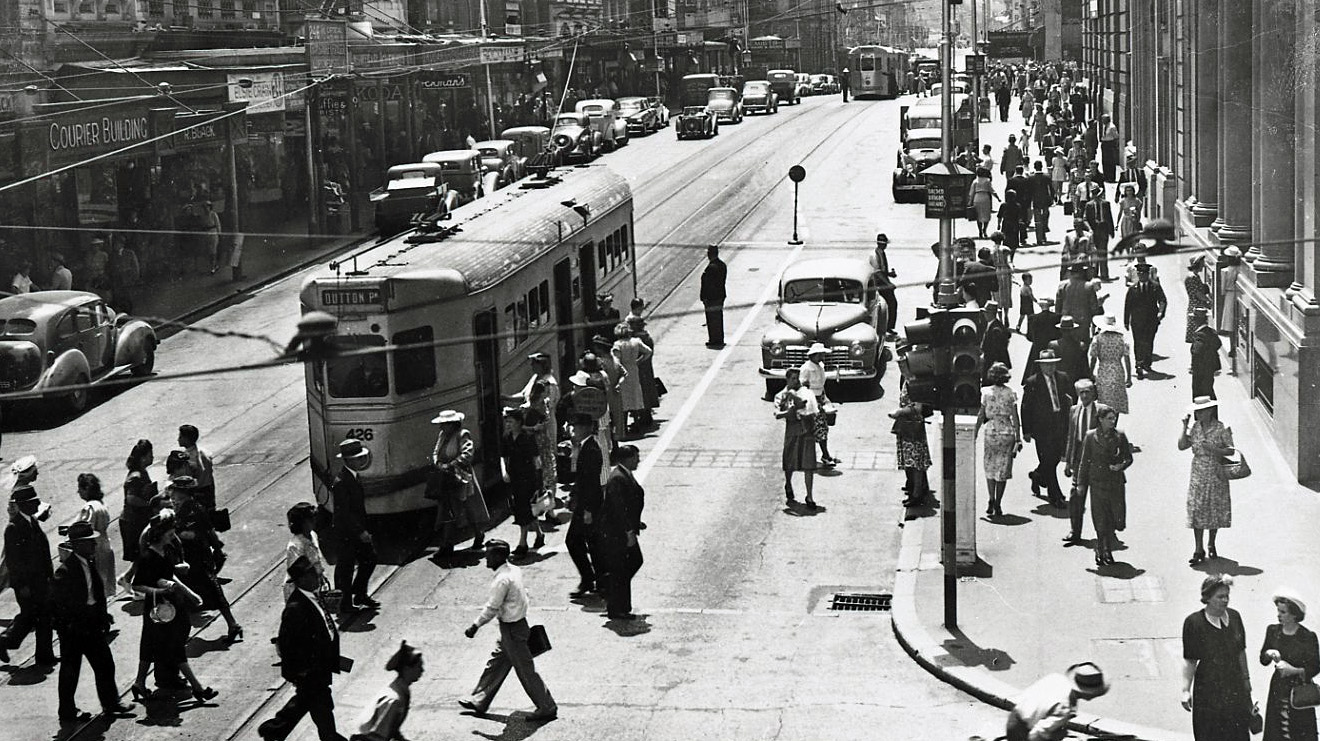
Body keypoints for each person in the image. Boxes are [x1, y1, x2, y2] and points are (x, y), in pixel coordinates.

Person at [459, 540, 558, 722]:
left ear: (498, 556)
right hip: (515, 626)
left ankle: (547, 706)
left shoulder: (501, 580)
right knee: (496, 662)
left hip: (512, 630)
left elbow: (492, 608)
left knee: (525, 670)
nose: (485, 558)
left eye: (488, 555)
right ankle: (479, 699)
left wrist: (475, 625)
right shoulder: (514, 570)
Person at [51, 521, 136, 723]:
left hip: (91, 625)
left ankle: (111, 703)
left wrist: (103, 616)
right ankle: (67, 711)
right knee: (70, 671)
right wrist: (67, 627)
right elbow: (56, 606)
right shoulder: (65, 572)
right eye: (90, 542)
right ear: (77, 544)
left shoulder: (89, 563)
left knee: (105, 664)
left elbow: (96, 593)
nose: (94, 545)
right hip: (74, 630)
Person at [130, 514, 218, 704]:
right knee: (174, 646)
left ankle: (139, 683)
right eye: (170, 531)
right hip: (158, 609)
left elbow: (170, 575)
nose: (173, 534)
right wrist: (160, 590)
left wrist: (190, 593)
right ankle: (198, 688)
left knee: (151, 645)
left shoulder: (166, 551)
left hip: (170, 607)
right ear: (160, 533)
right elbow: (137, 585)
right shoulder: (147, 556)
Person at [258, 556, 347, 741]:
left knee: (306, 703)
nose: (319, 576)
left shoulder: (312, 597)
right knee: (318, 705)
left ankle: (274, 729)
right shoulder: (296, 607)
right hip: (310, 670)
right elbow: (287, 643)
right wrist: (300, 673)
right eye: (313, 574)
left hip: (318, 668)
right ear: (302, 579)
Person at [169, 476, 242, 642]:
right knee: (196, 591)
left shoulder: (193, 509)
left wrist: (175, 533)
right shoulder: (189, 507)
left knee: (209, 590)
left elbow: (197, 533)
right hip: (190, 557)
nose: (173, 497)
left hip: (197, 557)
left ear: (184, 493)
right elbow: (209, 531)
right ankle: (231, 624)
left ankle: (233, 624)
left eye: (176, 494)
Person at [1182, 574, 1253, 741]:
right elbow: (1190, 660)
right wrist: (1185, 690)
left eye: (1227, 596)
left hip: (1234, 686)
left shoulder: (1235, 617)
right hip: (1208, 690)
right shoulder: (1193, 623)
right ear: (1207, 597)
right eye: (1220, 596)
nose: (1225, 600)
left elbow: (1241, 652)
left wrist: (1247, 683)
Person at [0, 485, 55, 665]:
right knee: (32, 615)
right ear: (23, 504)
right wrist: (21, 585)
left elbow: (43, 551)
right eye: (34, 502)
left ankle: (44, 656)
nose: (38, 504)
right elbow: (13, 561)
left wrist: (50, 576)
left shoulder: (32, 521)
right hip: (27, 584)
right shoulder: (13, 528)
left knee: (43, 615)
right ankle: (6, 640)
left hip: (41, 580)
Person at [1073, 404, 1132, 566]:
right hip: (1097, 482)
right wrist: (1080, 483)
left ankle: (1106, 546)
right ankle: (1103, 548)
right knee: (1100, 518)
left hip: (1115, 482)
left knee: (1115, 518)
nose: (1113, 421)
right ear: (1100, 420)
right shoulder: (1091, 437)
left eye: (1114, 418)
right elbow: (1084, 461)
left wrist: (1121, 466)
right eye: (1109, 419)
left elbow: (1128, 458)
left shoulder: (1120, 436)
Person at [1179, 397, 1235, 565]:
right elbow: (1182, 446)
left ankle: (1211, 542)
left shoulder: (1220, 428)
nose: (1198, 414)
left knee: (1214, 508)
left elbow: (1231, 451)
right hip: (1198, 473)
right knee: (1197, 509)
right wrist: (1184, 426)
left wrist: (1214, 449)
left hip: (1215, 472)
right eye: (1197, 411)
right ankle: (1198, 548)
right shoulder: (1195, 427)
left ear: (1210, 411)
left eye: (1201, 411)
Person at [1260, 588, 1319, 741]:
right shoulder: (1273, 631)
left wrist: (1294, 670)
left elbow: (1315, 666)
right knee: (1277, 730)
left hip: (1299, 689)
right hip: (1278, 688)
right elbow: (1263, 659)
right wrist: (1269, 653)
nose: (1278, 615)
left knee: (1299, 731)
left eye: (1283, 612)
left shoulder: (1307, 636)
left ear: (1294, 614)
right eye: (1278, 611)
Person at [1020, 349, 1074, 509]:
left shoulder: (1063, 378)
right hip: (1041, 428)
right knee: (1048, 461)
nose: (1049, 368)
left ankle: (1037, 475)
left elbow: (1069, 399)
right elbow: (1025, 407)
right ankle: (1055, 495)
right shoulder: (1033, 382)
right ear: (1040, 366)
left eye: (1052, 365)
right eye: (1046, 365)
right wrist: (1026, 430)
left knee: (1055, 457)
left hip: (1059, 424)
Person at [430, 411, 490, 554]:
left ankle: (477, 533)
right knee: (448, 509)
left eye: (444, 424)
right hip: (446, 478)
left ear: (452, 424)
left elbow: (467, 454)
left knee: (469, 508)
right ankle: (447, 544)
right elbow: (435, 452)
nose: (441, 427)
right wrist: (437, 463)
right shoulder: (442, 436)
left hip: (461, 478)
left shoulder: (462, 435)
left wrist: (451, 464)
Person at [330, 438, 378, 615]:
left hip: (355, 529)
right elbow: (345, 513)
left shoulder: (352, 477)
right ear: (348, 460)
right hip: (346, 532)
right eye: (358, 458)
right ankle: (344, 603)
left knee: (370, 558)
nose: (361, 461)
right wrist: (361, 531)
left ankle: (359, 593)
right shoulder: (342, 482)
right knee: (346, 567)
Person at [1006, 662, 1110, 741]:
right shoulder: (1064, 708)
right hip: (1023, 732)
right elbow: (1037, 734)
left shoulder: (1056, 678)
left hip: (1015, 716)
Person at [599, 444, 644, 620]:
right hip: (617, 533)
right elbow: (618, 509)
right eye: (636, 457)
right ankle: (617, 606)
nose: (638, 460)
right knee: (626, 566)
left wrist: (636, 523)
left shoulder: (624, 474)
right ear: (627, 458)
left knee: (625, 567)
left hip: (621, 530)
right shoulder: (618, 478)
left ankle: (615, 599)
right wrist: (629, 531)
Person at [504, 352, 560, 492]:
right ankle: (538, 490)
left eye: (533, 363)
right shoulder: (535, 378)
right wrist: (506, 397)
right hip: (530, 425)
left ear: (542, 365)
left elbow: (545, 406)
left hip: (542, 426)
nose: (531, 366)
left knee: (545, 459)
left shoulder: (550, 384)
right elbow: (524, 396)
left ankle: (547, 493)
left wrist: (525, 409)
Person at [976, 362, 1021, 518]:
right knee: (1002, 469)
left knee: (990, 466)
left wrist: (974, 433)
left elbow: (981, 415)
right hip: (1007, 431)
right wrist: (1018, 438)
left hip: (991, 431)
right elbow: (1015, 417)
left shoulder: (986, 392)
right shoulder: (1011, 393)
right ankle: (998, 502)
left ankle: (990, 497)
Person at [566, 413, 603, 598]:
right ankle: (595, 580)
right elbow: (580, 479)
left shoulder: (591, 449)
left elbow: (590, 482)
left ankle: (591, 579)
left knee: (575, 541)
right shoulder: (585, 447)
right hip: (585, 503)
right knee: (590, 543)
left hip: (589, 505)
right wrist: (573, 495)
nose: (574, 430)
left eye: (577, 427)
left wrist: (587, 510)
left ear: (587, 427)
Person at [354, 641, 424, 741]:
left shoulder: (402, 690)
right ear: (407, 669)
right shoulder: (394, 699)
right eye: (419, 666)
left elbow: (391, 727)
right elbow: (377, 737)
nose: (422, 670)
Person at [500, 407, 544, 558]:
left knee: (523, 508)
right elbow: (503, 456)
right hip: (514, 478)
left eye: (511, 421)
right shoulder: (506, 437)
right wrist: (504, 472)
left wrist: (539, 483)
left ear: (519, 422)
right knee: (525, 508)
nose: (508, 424)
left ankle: (522, 543)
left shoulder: (527, 437)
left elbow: (536, 460)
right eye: (507, 422)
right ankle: (539, 534)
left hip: (528, 478)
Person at [1062, 379, 1100, 544]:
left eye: (1087, 392)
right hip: (1079, 459)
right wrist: (1068, 462)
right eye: (1081, 393)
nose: (1084, 396)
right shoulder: (1073, 410)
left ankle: (1104, 534)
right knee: (1076, 496)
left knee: (1099, 499)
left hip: (1096, 460)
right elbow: (1071, 436)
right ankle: (1074, 531)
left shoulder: (1102, 411)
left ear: (1093, 393)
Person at [774, 368, 818, 507]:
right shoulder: (781, 395)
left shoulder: (804, 392)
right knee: (789, 462)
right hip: (792, 430)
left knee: (808, 465)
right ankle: (788, 484)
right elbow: (777, 413)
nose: (796, 381)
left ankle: (809, 497)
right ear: (787, 380)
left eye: (797, 378)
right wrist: (788, 412)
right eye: (793, 378)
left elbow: (805, 404)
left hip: (807, 430)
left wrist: (794, 398)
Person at [117, 440, 156, 595]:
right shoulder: (136, 476)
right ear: (143, 458)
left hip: (138, 520)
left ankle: (127, 579)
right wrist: (149, 503)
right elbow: (131, 498)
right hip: (132, 521)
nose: (152, 457)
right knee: (141, 554)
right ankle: (135, 584)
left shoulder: (142, 472)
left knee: (141, 555)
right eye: (150, 455)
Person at [75, 473, 116, 599]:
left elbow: (86, 529)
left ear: (86, 489)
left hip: (94, 548)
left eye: (80, 489)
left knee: (94, 583)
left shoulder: (89, 507)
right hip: (104, 544)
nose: (78, 492)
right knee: (102, 581)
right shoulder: (100, 504)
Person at [799, 343, 839, 467]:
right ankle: (824, 455)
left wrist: (826, 400)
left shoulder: (820, 366)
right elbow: (802, 387)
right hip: (811, 401)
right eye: (821, 354)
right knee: (817, 428)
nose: (823, 356)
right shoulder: (806, 368)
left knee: (822, 428)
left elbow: (822, 386)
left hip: (820, 398)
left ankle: (824, 454)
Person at [890, 394, 933, 508]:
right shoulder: (907, 380)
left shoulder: (917, 384)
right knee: (910, 462)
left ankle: (917, 494)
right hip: (907, 428)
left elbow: (918, 407)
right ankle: (915, 487)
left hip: (913, 430)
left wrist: (901, 412)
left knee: (915, 463)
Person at [1124, 264, 1166, 378]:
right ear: (1137, 275)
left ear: (1148, 274)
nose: (1142, 276)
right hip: (1137, 321)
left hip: (1151, 320)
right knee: (1138, 342)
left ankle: (1147, 363)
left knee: (1148, 341)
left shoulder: (1155, 286)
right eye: (1140, 274)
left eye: (1144, 274)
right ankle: (1139, 364)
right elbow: (1128, 305)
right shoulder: (1133, 289)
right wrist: (1126, 321)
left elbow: (1162, 300)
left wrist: (1161, 312)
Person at [611, 322, 654, 435]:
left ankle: (624, 426)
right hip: (634, 370)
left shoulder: (618, 344)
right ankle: (636, 423)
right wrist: (638, 361)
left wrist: (620, 370)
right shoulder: (636, 341)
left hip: (623, 372)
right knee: (635, 397)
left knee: (624, 399)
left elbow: (616, 361)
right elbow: (648, 351)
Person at [284, 502, 328, 600]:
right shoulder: (295, 546)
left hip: (315, 585)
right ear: (302, 523)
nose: (314, 521)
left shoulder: (313, 535)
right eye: (310, 519)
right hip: (301, 591)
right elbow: (297, 573)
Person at [1088, 315, 1131, 414]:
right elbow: (1127, 358)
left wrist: (1090, 373)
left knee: (1104, 402)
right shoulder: (1121, 338)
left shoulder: (1098, 338)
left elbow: (1093, 358)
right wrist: (1128, 377)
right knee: (1116, 403)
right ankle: (1113, 424)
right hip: (1118, 371)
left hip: (1103, 371)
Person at [177, 425, 216, 512]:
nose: (178, 439)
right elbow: (210, 476)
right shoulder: (205, 453)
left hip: (197, 494)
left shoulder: (187, 459)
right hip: (208, 491)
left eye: (180, 437)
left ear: (186, 439)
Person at [869, 234, 899, 339]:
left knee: (890, 304)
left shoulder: (881, 253)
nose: (885, 246)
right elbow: (877, 273)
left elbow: (882, 271)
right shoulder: (874, 255)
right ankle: (886, 327)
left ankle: (888, 327)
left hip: (884, 281)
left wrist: (890, 274)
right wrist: (888, 284)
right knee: (890, 304)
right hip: (879, 284)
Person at [1083, 184, 1115, 281]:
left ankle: (1104, 274)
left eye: (1097, 194)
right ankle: (1094, 274)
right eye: (1094, 194)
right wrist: (1089, 229)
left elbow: (1109, 218)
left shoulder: (1106, 204)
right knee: (1094, 253)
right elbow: (1085, 219)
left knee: (1103, 252)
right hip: (1094, 229)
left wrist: (1111, 231)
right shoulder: (1089, 205)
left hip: (1103, 229)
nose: (1096, 196)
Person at [1189, 307, 1221, 400]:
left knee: (1199, 395)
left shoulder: (1199, 336)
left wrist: (1193, 367)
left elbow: (1196, 353)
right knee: (1209, 391)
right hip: (1210, 369)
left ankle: (1205, 414)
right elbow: (1218, 344)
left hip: (1200, 371)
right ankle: (1212, 414)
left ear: (1196, 320)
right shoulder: (1211, 332)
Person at [700, 244, 727, 348]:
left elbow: (707, 284)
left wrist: (705, 297)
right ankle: (719, 338)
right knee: (718, 318)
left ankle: (714, 340)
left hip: (712, 298)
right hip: (720, 295)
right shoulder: (722, 265)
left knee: (712, 320)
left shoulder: (711, 267)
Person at [1185, 255, 1213, 343]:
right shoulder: (1192, 277)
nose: (1204, 265)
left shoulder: (1195, 276)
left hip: (1196, 305)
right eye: (1202, 263)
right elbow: (1198, 293)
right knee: (1198, 333)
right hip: (1196, 307)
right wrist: (1208, 300)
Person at [968, 167, 999, 239]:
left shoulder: (975, 181)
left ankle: (980, 231)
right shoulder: (987, 181)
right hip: (985, 197)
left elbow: (971, 193)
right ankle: (984, 230)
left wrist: (970, 202)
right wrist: (997, 197)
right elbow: (992, 190)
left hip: (977, 197)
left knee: (978, 215)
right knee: (986, 214)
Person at [1098, 114, 1120, 182]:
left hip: (1110, 145)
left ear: (1107, 119)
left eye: (1103, 119)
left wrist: (1115, 146)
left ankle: (1111, 177)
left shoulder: (1112, 127)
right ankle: (1106, 176)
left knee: (1110, 161)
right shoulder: (1105, 126)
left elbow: (1116, 137)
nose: (1102, 121)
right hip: (1104, 144)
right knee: (1105, 161)